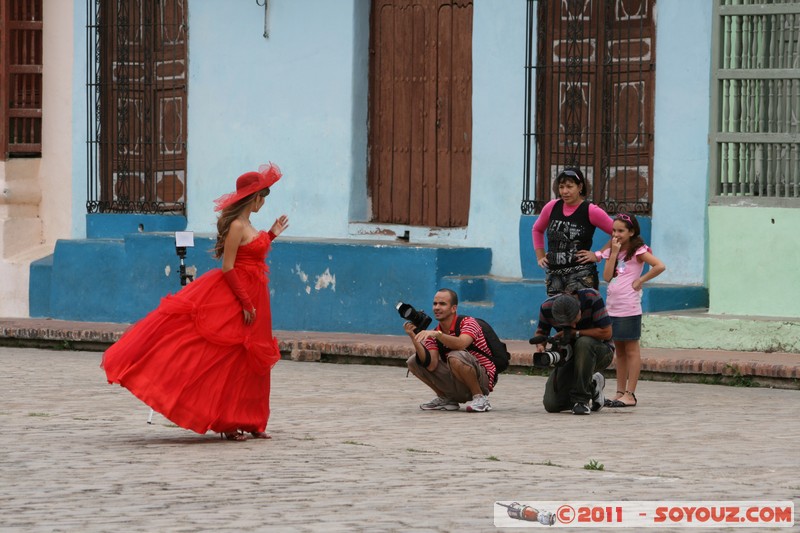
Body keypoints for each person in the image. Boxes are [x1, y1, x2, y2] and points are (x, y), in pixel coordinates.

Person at [102, 163, 290, 441]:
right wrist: (245, 303)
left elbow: (254, 253)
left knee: (252, 359)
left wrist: (271, 233)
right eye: (263, 196)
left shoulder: (249, 225)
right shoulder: (237, 226)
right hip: (238, 297)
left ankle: (252, 420)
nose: (264, 201)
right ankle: (228, 422)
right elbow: (228, 267)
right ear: (253, 198)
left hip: (257, 297)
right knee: (229, 358)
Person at [594, 212, 665, 408]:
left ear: (631, 232)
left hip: (629, 307)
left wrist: (640, 280)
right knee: (620, 351)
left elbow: (659, 266)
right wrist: (614, 253)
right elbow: (607, 277)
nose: (616, 234)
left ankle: (630, 394)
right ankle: (619, 392)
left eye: (621, 231)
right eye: (614, 231)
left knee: (632, 350)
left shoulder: (638, 251)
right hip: (613, 307)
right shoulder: (613, 251)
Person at [404, 289, 496, 413]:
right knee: (413, 361)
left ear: (453, 308)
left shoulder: (468, 322)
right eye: (435, 304)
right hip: (457, 380)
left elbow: (461, 344)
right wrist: (413, 336)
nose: (437, 307)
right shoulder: (434, 333)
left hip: (482, 379)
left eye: (442, 304)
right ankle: (446, 399)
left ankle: (480, 398)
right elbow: (431, 366)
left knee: (455, 356)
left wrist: (438, 335)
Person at [532, 167, 614, 296]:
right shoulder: (552, 207)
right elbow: (537, 229)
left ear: (580, 187)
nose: (565, 191)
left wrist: (598, 255)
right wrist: (540, 256)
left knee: (579, 309)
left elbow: (619, 235)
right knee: (557, 309)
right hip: (554, 277)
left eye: (570, 186)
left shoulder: (591, 211)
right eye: (561, 187)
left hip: (581, 276)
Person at [533, 290, 614, 415]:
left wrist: (574, 333)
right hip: (570, 357)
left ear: (579, 309)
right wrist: (540, 346)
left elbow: (607, 333)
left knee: (584, 342)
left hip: (601, 352)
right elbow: (541, 332)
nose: (574, 325)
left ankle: (581, 401)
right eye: (567, 324)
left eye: (575, 320)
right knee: (552, 404)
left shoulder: (591, 298)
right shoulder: (546, 307)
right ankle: (592, 383)